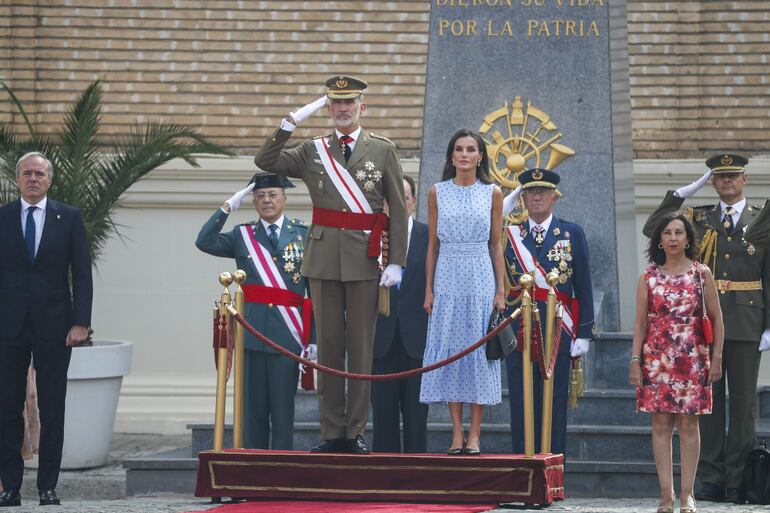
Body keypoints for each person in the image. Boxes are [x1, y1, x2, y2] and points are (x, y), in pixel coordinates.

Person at [254, 75, 408, 454]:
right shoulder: (312, 150)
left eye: (349, 103)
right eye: (335, 103)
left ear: (362, 107)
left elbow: (399, 209)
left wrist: (398, 261)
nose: (342, 109)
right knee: (329, 347)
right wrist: (291, 122)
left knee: (360, 350)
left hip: (365, 260)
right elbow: (265, 160)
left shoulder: (382, 149)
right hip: (322, 259)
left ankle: (354, 431)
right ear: (328, 108)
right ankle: (330, 432)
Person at [643, 153, 770, 504]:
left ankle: (739, 480)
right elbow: (654, 228)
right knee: (705, 408)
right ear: (712, 182)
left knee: (744, 404)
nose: (727, 181)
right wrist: (682, 192)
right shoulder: (698, 218)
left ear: (744, 179)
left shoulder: (762, 217)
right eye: (719, 177)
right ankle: (711, 477)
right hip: (700, 328)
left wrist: (769, 324)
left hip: (746, 320)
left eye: (733, 176)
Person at [0, 152, 93, 507]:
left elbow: (81, 273)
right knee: (7, 407)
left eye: (39, 173)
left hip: (56, 326)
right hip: (8, 327)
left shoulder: (67, 217)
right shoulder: (4, 217)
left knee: (53, 407)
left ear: (49, 180)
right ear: (18, 179)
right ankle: (10, 486)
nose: (33, 178)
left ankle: (47, 487)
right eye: (27, 173)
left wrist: (80, 322)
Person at [196, 172, 313, 450]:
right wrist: (227, 207)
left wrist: (314, 339)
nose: (266, 200)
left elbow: (314, 292)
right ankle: (252, 474)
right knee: (252, 416)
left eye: (272, 194)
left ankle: (283, 476)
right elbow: (204, 241)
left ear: (284, 198)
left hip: (288, 337)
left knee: (284, 416)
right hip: (251, 336)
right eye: (259, 196)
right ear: (252, 202)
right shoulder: (243, 235)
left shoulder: (304, 234)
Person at [631, 211, 725, 513]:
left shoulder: (701, 273)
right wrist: (635, 361)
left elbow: (717, 320)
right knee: (660, 424)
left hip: (693, 357)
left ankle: (687, 495)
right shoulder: (648, 276)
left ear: (687, 239)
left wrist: (717, 358)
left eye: (678, 233)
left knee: (688, 424)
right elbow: (640, 324)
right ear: (659, 239)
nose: (673, 238)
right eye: (667, 233)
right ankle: (665, 494)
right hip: (657, 359)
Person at [419, 129, 505, 456]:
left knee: (478, 351)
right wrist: (428, 289)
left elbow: (496, 244)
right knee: (451, 348)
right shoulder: (436, 192)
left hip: (480, 272)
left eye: (471, 149)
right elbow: (432, 245)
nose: (465, 154)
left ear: (481, 155)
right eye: (459, 149)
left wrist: (500, 290)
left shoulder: (493, 192)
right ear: (451, 155)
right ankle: (456, 432)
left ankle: (475, 434)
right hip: (448, 273)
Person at [502, 168, 594, 456]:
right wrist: (507, 200)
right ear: (523, 198)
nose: (537, 197)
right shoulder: (510, 234)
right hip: (521, 329)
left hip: (559, 329)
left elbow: (584, 284)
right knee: (521, 400)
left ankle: (552, 471)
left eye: (543, 191)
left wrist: (584, 333)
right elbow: (486, 226)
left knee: (554, 401)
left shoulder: (571, 233)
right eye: (530, 192)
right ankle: (523, 466)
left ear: (555, 197)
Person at [371, 175, 429, 453]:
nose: (396, 204)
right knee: (383, 418)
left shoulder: (429, 236)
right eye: (389, 199)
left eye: (403, 198)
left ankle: (418, 477)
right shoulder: (370, 237)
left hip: (418, 340)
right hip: (379, 340)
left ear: (413, 202)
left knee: (417, 417)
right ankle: (384, 480)